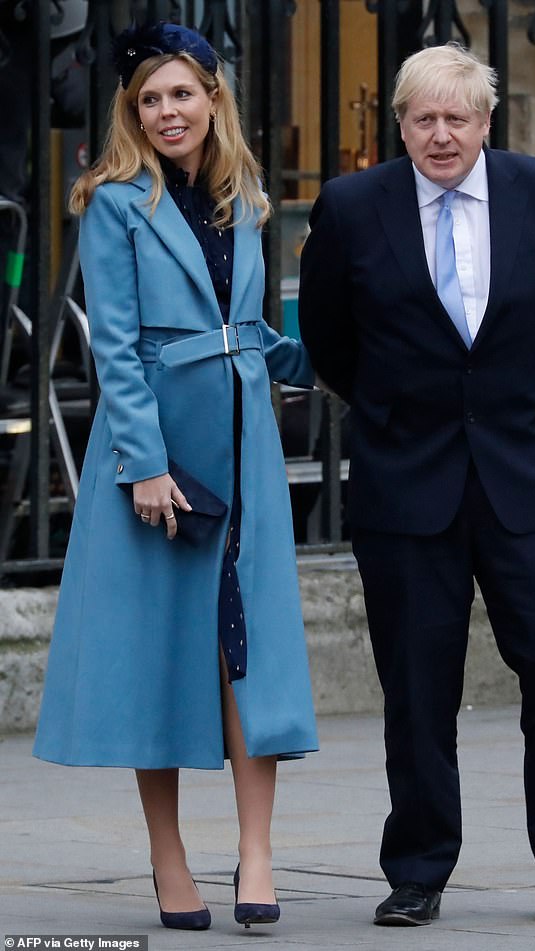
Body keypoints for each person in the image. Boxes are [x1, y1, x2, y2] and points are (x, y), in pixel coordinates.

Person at [299, 43, 535, 927]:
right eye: (423, 119)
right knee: (417, 680)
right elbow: (329, 337)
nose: (441, 135)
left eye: (457, 118)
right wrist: (404, 408)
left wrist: (511, 401)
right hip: (408, 479)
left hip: (526, 474)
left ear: (486, 122)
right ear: (399, 124)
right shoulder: (354, 207)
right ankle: (420, 867)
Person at [34, 21, 318, 932]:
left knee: (252, 653)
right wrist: (144, 467)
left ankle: (259, 852)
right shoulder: (114, 201)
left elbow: (251, 327)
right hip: (156, 455)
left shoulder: (246, 196)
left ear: (214, 99)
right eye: (149, 99)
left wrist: (317, 356)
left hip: (244, 440)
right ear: (132, 112)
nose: (166, 112)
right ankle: (168, 859)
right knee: (156, 657)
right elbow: (114, 348)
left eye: (181, 94)